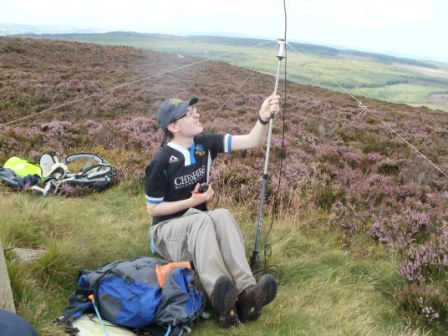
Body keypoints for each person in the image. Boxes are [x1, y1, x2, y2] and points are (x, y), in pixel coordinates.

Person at [144, 94, 280, 328]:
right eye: (188, 113)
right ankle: (222, 299)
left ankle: (247, 293)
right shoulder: (161, 161)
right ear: (173, 126)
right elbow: (153, 208)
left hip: (197, 223)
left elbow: (252, 140)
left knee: (222, 214)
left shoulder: (204, 144)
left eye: (194, 110)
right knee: (203, 221)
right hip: (166, 231)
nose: (196, 114)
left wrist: (263, 117)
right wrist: (192, 201)